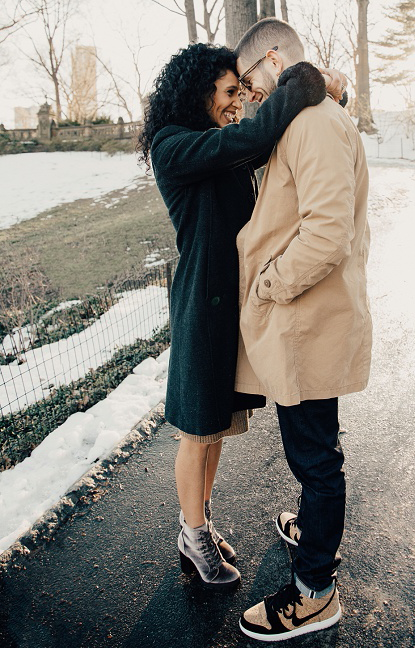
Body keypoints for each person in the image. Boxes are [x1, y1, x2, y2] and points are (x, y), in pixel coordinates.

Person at [137, 43, 339, 590]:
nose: (237, 103)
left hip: (237, 303)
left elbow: (264, 145)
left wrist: (326, 93)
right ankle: (192, 533)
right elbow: (251, 137)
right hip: (204, 304)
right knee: (196, 431)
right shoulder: (173, 146)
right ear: (200, 93)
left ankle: (198, 522)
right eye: (229, 93)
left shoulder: (215, 146)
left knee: (217, 426)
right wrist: (298, 80)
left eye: (240, 92)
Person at [225, 18, 371, 641]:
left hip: (307, 319)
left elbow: (326, 232)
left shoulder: (312, 122)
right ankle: (316, 531)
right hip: (304, 320)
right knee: (312, 451)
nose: (251, 97)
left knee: (316, 460)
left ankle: (315, 592)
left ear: (274, 59)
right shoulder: (313, 115)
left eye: (250, 81)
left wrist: (268, 284)